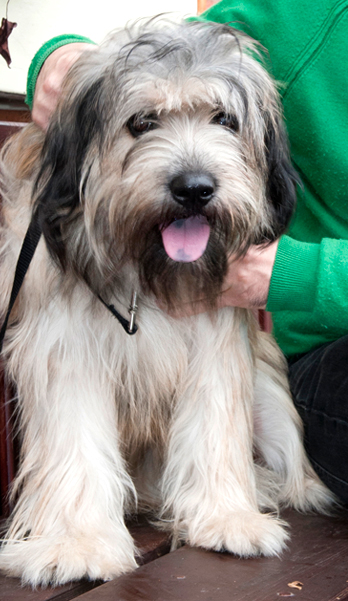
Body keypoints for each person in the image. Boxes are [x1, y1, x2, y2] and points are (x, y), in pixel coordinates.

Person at [26, 0, 348, 504]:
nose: (193, 171)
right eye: (145, 123)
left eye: (223, 120)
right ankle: (76, 512)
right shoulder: (307, 13)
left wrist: (296, 272)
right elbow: (174, 54)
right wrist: (55, 58)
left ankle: (219, 495)